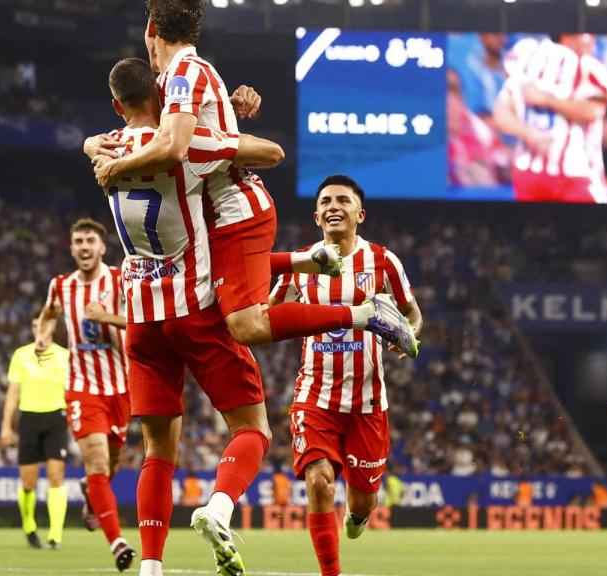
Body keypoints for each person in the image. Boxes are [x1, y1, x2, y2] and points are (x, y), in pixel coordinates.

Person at [91, 0, 414, 358]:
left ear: (151, 29)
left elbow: (175, 145)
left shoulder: (185, 73)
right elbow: (168, 133)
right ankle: (308, 261)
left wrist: (115, 167)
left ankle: (365, 314)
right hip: (210, 213)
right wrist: (91, 145)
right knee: (201, 274)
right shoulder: (171, 80)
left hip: (234, 210)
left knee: (247, 326)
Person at [96, 56, 283, 576]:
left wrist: (95, 147)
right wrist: (223, 119)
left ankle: (151, 568)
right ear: (163, 96)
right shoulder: (185, 151)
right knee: (252, 428)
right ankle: (219, 508)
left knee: (158, 450)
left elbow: (95, 143)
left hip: (141, 319)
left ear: (116, 106)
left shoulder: (106, 150)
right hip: (194, 309)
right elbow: (267, 153)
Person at [270, 175, 422, 576]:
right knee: (319, 482)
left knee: (362, 502)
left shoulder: (383, 261)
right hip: (314, 397)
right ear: (316, 216)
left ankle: (358, 514)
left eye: (342, 200)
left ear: (360, 214)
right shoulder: (300, 263)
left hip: (367, 404)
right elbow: (268, 312)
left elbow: (412, 312)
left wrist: (407, 335)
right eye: (325, 201)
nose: (333, 206)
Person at [34, 218, 137, 570]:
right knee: (97, 462)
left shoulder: (119, 280)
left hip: (120, 388)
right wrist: (44, 335)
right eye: (78, 241)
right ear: (72, 248)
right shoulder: (61, 286)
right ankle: (118, 543)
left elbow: (141, 321)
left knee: (111, 465)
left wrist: (106, 317)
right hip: (82, 388)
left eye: (90, 241)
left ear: (102, 248)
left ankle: (92, 497)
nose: (84, 247)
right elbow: (48, 316)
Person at [493, 33, 607, 203]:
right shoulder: (586, 64)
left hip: (529, 172)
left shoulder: (527, 53)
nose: (593, 41)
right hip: (575, 174)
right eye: (588, 34)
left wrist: (546, 100)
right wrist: (529, 132)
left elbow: (502, 112)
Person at [0, 318, 71, 551]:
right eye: (34, 326)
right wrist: (6, 426)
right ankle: (29, 526)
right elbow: (13, 392)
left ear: (52, 328)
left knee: (56, 475)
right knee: (28, 482)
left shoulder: (64, 356)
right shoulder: (21, 355)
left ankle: (55, 535)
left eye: (42, 325)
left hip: (56, 417)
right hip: (29, 418)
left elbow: (73, 391)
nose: (38, 330)